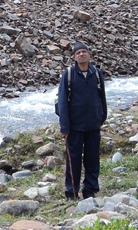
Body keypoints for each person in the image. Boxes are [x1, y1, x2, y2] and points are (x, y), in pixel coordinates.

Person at [57, 42, 107, 201]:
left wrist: (102, 117)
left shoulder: (97, 74)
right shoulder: (69, 74)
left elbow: (102, 98)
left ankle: (90, 190)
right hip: (74, 127)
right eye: (78, 53)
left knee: (92, 160)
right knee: (74, 160)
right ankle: (72, 192)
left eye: (84, 52)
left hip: (93, 125)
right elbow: (63, 102)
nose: (81, 55)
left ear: (89, 54)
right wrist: (64, 127)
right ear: (74, 57)